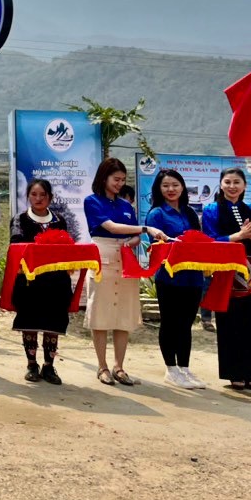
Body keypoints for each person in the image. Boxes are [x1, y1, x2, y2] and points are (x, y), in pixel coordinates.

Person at [84, 157, 167, 386]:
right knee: (101, 313)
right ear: (104, 178)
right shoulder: (92, 201)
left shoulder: (125, 205)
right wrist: (146, 228)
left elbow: (134, 236)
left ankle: (119, 366)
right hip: (103, 259)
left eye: (123, 180)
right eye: (116, 179)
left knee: (124, 314)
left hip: (126, 260)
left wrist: (134, 239)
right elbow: (110, 227)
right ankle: (102, 366)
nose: (120, 184)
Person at [201, 167, 251, 390]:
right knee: (230, 320)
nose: (232, 186)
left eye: (236, 182)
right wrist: (238, 236)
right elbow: (210, 240)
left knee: (250, 320)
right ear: (221, 185)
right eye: (227, 182)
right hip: (227, 270)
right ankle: (233, 372)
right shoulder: (211, 210)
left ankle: (249, 373)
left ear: (244, 186)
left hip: (250, 270)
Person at [144, 169, 206, 389]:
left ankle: (185, 368)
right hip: (169, 277)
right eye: (165, 186)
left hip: (193, 276)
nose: (171, 189)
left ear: (182, 187)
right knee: (170, 322)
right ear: (159, 189)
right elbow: (157, 246)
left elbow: (200, 240)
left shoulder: (190, 213)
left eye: (175, 185)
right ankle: (171, 369)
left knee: (186, 323)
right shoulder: (156, 214)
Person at [9, 179, 70, 385]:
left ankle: (49, 366)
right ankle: (32, 364)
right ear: (28, 196)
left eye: (43, 195)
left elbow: (66, 247)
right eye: (34, 194)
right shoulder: (20, 219)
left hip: (56, 281)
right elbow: (17, 245)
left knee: (53, 322)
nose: (38, 199)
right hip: (30, 281)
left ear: (50, 198)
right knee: (30, 321)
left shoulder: (59, 220)